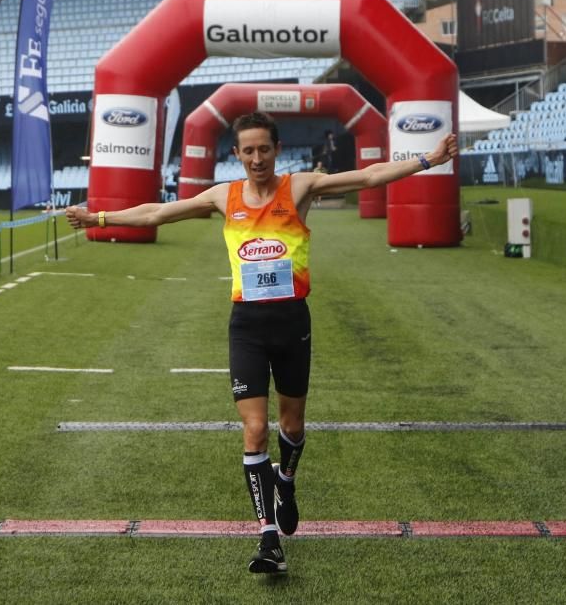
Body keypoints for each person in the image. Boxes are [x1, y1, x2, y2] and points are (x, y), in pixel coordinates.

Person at [65, 111, 457, 575]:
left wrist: (428, 160)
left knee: (292, 426)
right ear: (237, 154)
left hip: (292, 324)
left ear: (277, 150)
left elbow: (370, 175)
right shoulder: (221, 197)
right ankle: (268, 537)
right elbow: (156, 212)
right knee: (254, 430)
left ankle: (286, 479)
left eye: (264, 149)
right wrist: (99, 215)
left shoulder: (301, 187)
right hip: (246, 327)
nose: (256, 158)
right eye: (247, 151)